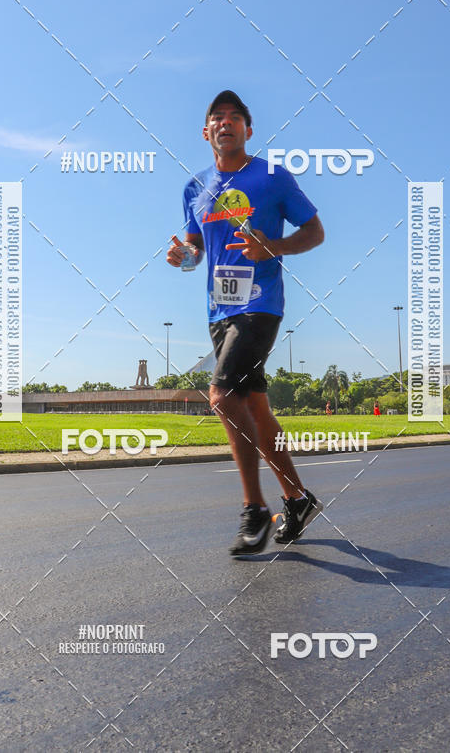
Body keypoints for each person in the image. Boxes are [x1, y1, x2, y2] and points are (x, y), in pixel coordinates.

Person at [167, 90, 325, 556]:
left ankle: (255, 508)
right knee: (254, 407)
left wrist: (272, 247)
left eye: (236, 118)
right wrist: (183, 257)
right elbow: (195, 250)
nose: (226, 123)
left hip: (261, 304)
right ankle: (297, 499)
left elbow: (315, 232)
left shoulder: (272, 177)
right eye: (217, 118)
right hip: (220, 309)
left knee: (220, 395)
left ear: (248, 130)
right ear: (206, 132)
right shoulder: (195, 187)